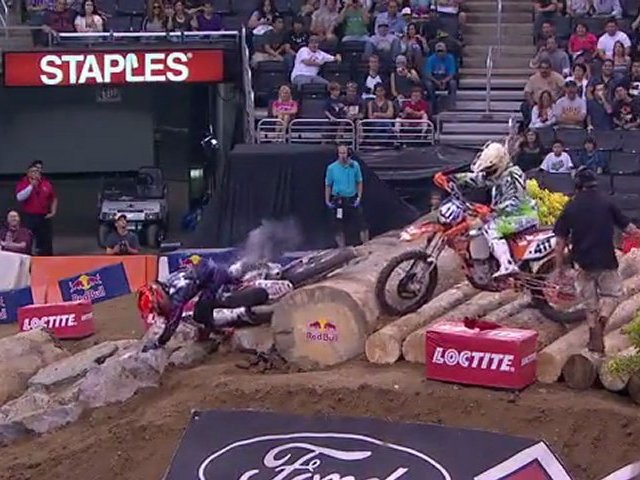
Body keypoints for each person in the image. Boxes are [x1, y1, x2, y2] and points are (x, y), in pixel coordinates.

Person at [554, 166, 639, 353]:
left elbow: (559, 242)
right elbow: (629, 229)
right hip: (606, 259)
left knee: (589, 302)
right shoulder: (607, 202)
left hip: (582, 262)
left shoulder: (571, 206)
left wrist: (559, 268)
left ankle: (593, 332)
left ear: (577, 185)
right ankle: (603, 319)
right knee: (613, 295)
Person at [449, 142, 539, 277]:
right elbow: (479, 179)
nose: (488, 172)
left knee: (492, 228)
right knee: (479, 226)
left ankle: (507, 265)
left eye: (490, 169)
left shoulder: (513, 174)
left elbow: (516, 201)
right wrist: (453, 178)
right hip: (508, 214)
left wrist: (493, 210)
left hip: (523, 214)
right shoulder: (497, 175)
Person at [137, 259, 268, 351]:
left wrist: (159, 343)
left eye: (157, 308)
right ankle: (217, 328)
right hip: (211, 273)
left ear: (159, 297)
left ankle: (221, 327)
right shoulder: (168, 282)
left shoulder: (177, 295)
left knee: (203, 311)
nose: (158, 312)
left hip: (216, 278)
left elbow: (172, 324)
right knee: (202, 308)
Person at [325, 145, 369, 247]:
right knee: (338, 226)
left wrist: (359, 197)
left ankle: (366, 245)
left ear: (348, 154)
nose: (343, 155)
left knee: (362, 223)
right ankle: (342, 248)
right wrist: (327, 200)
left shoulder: (354, 165)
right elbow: (328, 184)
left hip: (352, 198)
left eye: (344, 153)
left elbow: (359, 181)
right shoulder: (332, 168)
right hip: (339, 199)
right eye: (340, 153)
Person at [15, 162, 57, 256]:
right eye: (33, 171)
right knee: (27, 237)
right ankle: (27, 256)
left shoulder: (46, 184)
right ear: (28, 173)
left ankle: (45, 256)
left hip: (43, 216)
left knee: (45, 239)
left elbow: (53, 198)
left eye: (37, 172)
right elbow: (20, 197)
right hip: (29, 216)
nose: (35, 174)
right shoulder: (23, 183)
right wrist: (31, 186)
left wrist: (53, 211)